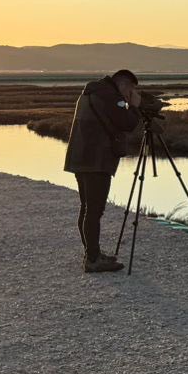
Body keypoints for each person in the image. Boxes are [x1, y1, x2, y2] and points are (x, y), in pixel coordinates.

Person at [63, 69, 149, 272]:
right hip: (96, 161)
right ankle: (93, 260)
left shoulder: (91, 92)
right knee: (94, 210)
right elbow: (126, 123)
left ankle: (92, 253)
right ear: (123, 84)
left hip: (80, 157)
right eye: (130, 89)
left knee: (86, 207)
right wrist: (134, 107)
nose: (129, 93)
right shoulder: (110, 97)